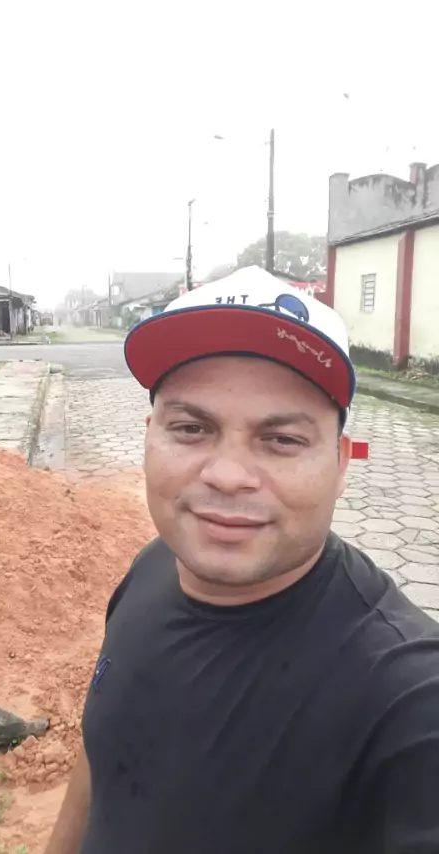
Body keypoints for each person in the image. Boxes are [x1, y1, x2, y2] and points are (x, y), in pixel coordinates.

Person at [46, 266, 439, 854]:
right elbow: (101, 751)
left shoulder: (408, 699)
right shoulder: (151, 566)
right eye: (191, 428)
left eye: (281, 440)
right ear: (148, 438)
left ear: (341, 465)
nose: (228, 475)